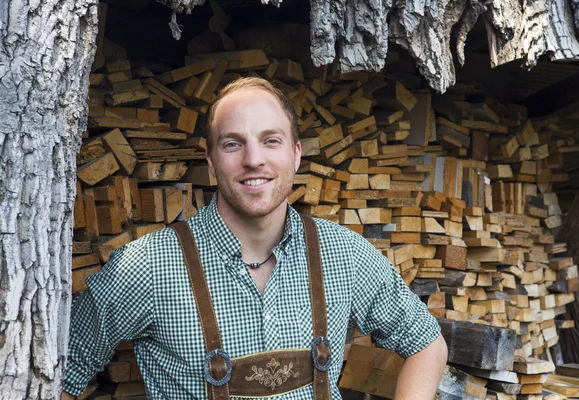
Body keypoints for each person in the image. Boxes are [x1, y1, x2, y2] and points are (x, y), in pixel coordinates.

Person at [62, 77, 447, 400]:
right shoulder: (145, 267)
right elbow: (60, 373)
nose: (253, 159)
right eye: (233, 143)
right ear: (211, 161)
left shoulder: (343, 254)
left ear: (296, 155)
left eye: (271, 140)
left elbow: (428, 344)